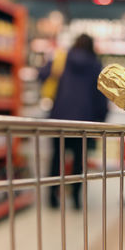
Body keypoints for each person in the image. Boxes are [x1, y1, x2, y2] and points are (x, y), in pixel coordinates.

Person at [39, 34, 108, 209]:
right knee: (79, 160)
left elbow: (42, 74)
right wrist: (101, 118)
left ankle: (52, 197)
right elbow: (100, 95)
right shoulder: (95, 65)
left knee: (57, 157)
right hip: (84, 121)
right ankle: (76, 198)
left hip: (59, 117)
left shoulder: (62, 58)